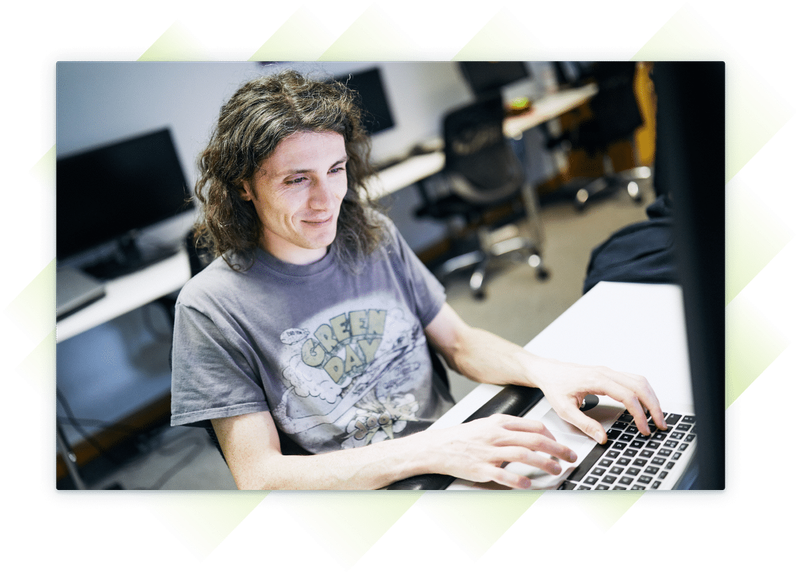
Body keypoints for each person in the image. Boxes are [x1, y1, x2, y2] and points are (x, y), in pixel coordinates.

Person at [170, 69, 666, 490]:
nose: (326, 200)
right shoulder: (209, 306)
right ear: (244, 186)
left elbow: (460, 342)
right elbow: (259, 475)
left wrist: (545, 371)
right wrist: (431, 450)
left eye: (336, 170)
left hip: (456, 450)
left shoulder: (371, 233)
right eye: (297, 179)